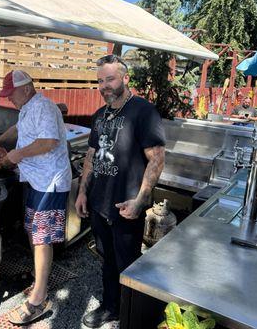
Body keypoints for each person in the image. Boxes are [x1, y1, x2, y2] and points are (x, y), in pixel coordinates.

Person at [75, 55, 166, 328]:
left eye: (110, 79)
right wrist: (82, 192)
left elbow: (157, 158)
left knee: (128, 262)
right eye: (100, 81)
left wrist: (141, 200)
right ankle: (112, 307)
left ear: (125, 78)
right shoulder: (99, 116)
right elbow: (91, 156)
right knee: (107, 260)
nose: (104, 86)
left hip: (126, 205)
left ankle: (133, 316)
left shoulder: (143, 111)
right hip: (99, 203)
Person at [0, 70, 72, 325]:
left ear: (27, 89)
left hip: (50, 181)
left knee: (41, 238)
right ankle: (39, 280)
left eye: (12, 94)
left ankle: (39, 299)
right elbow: (16, 129)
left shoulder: (44, 107)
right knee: (33, 231)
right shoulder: (28, 108)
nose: (9, 99)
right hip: (35, 180)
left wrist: (14, 156)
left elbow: (49, 141)